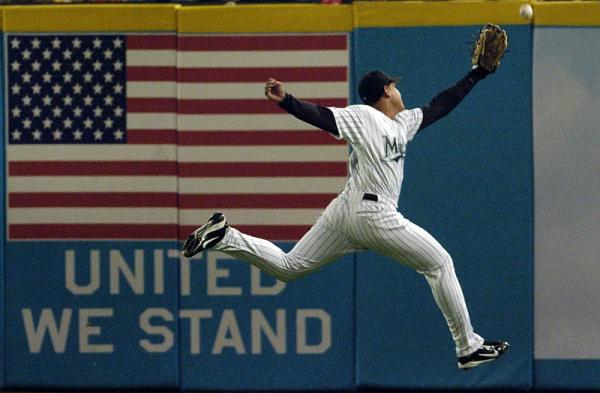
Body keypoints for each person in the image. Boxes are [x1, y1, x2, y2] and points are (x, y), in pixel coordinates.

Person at [182, 61, 509, 370]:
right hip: (373, 213)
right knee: (439, 263)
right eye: (394, 86)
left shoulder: (402, 123)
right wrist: (287, 101)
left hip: (345, 212)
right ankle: (467, 347)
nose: (398, 91)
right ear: (386, 91)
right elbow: (324, 117)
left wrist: (476, 74)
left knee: (289, 267)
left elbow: (441, 105)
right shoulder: (365, 116)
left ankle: (225, 237)